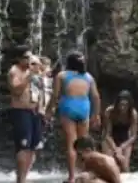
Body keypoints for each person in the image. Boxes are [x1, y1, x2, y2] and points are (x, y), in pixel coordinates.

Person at [47, 51, 101, 183]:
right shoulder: (88, 77)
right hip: (84, 108)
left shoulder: (62, 75)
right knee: (84, 143)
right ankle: (84, 174)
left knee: (71, 143)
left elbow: (55, 95)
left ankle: (71, 177)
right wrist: (96, 114)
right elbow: (95, 97)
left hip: (68, 106)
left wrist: (49, 109)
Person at [7, 46, 41, 183]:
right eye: (26, 57)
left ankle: (24, 177)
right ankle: (20, 180)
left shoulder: (32, 70)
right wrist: (29, 77)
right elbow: (16, 91)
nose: (29, 60)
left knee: (34, 147)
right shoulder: (14, 71)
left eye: (30, 57)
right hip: (21, 112)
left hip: (35, 112)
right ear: (18, 58)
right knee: (23, 146)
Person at [102, 90, 138, 172]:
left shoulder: (133, 114)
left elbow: (133, 136)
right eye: (121, 104)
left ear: (129, 105)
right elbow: (107, 134)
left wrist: (121, 147)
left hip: (125, 139)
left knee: (124, 163)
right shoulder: (110, 111)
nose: (123, 107)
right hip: (110, 139)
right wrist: (115, 149)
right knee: (110, 163)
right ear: (117, 104)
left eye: (125, 105)